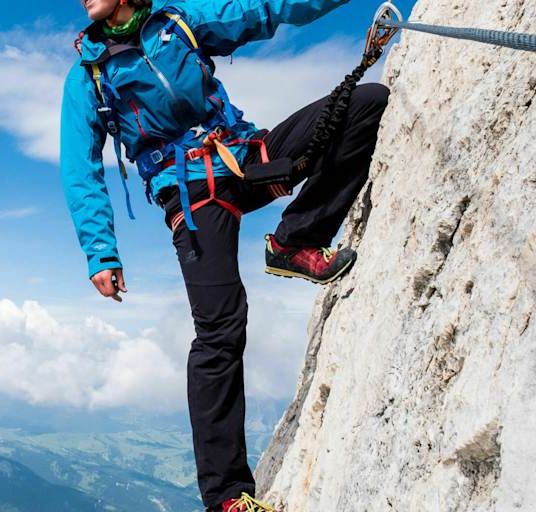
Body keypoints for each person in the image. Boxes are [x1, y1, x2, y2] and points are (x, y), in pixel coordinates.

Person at [60, 0, 389, 510]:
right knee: (220, 328)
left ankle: (294, 242)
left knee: (365, 102)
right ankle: (227, 496)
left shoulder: (179, 23)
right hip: (190, 195)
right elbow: (80, 168)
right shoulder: (89, 75)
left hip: (242, 155)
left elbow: (264, 8)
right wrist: (100, 253)